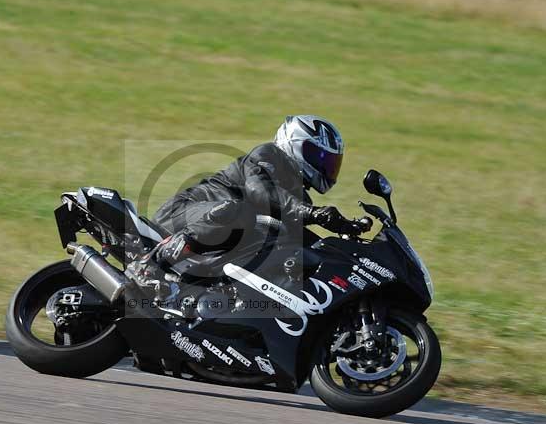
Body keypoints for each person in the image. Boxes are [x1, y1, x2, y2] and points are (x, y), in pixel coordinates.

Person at [125, 115, 369, 299]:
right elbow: (260, 192)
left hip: (216, 240)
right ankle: (150, 265)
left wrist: (345, 245)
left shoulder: (299, 196)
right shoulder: (269, 154)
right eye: (318, 155)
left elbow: (300, 237)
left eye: (330, 160)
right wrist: (312, 213)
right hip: (183, 214)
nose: (324, 164)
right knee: (238, 211)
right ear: (294, 142)